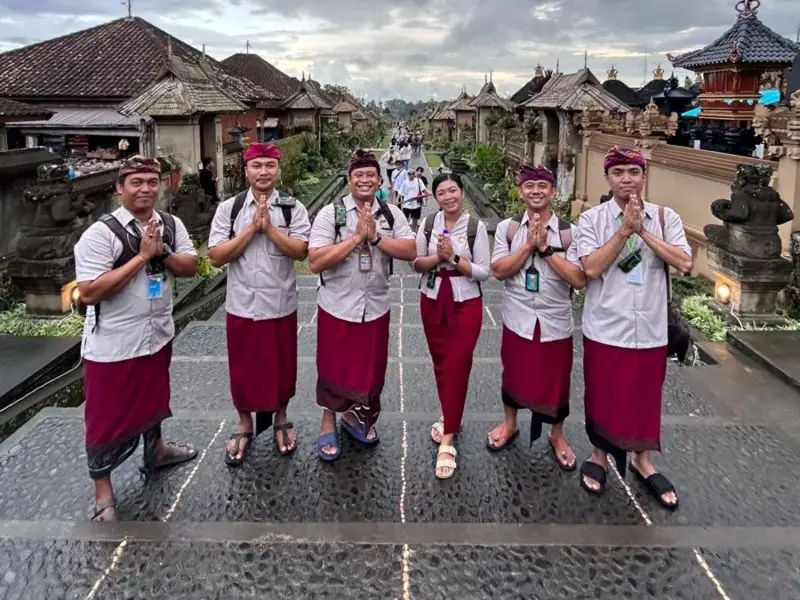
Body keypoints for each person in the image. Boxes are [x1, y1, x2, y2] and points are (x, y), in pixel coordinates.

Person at [74, 156, 199, 521]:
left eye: (151, 181)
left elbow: (191, 265)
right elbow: (91, 291)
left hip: (157, 333)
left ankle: (155, 451)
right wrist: (141, 257)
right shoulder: (100, 234)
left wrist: (162, 251)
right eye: (136, 183)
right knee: (105, 418)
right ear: (119, 188)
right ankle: (104, 494)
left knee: (154, 398)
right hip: (114, 343)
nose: (146, 189)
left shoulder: (170, 225)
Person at [577, 146, 693, 509]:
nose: (626, 179)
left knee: (645, 396)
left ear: (644, 176)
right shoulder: (592, 219)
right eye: (618, 173)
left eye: (633, 172)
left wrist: (642, 231)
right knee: (602, 392)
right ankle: (599, 454)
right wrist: (622, 232)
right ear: (607, 178)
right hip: (607, 324)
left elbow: (684, 262)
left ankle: (643, 460)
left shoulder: (665, 217)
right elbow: (591, 268)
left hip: (651, 327)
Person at [308, 150, 416, 462]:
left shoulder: (390, 213)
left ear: (380, 180)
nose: (365, 180)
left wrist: (377, 239)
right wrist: (356, 240)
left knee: (369, 369)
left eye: (371, 175)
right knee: (333, 367)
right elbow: (315, 261)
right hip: (337, 305)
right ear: (349, 181)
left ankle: (354, 416)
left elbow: (410, 250)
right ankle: (329, 418)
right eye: (359, 175)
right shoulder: (334, 214)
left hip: (376, 306)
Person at [207, 142, 311, 466]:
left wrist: (270, 229)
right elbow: (215, 256)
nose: (263, 172)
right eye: (257, 166)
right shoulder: (230, 209)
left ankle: (281, 416)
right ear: (246, 170)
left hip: (279, 302)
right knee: (243, 367)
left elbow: (301, 251)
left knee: (282, 365)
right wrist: (252, 229)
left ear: (278, 170)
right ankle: (244, 422)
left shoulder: (293, 208)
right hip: (242, 304)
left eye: (269, 165)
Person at [487, 166, 585, 471]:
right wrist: (528, 245)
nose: (536, 191)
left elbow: (578, 279)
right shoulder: (508, 228)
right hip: (517, 317)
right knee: (513, 373)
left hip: (554, 319)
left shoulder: (570, 232)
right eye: (530, 186)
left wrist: (545, 251)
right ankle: (510, 423)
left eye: (543, 186)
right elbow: (499, 270)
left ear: (553, 191)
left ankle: (557, 435)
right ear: (521, 192)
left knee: (556, 380)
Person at [413, 173, 490, 479]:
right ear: (435, 197)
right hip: (431, 298)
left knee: (459, 363)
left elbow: (484, 272)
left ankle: (449, 437)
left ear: (462, 192)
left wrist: (454, 258)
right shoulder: (428, 224)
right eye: (442, 192)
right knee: (441, 364)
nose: (448, 196)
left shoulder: (476, 227)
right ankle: (450, 415)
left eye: (453, 190)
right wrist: (437, 258)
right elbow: (416, 262)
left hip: (466, 302)